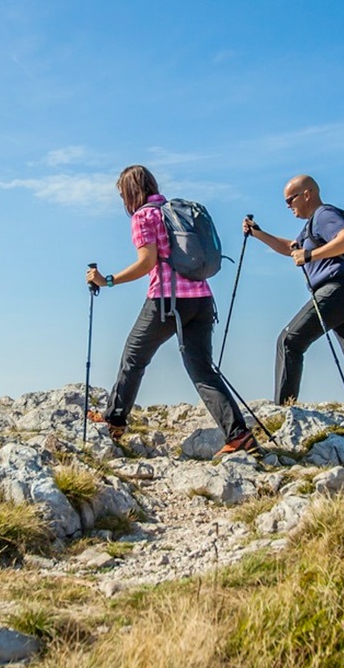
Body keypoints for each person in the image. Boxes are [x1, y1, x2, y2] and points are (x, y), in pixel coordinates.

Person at [84, 165, 256, 455]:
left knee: (133, 356)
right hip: (201, 299)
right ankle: (239, 435)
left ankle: (115, 420)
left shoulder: (143, 217)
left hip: (167, 301)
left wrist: (108, 280)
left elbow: (147, 262)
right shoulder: (174, 211)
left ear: (129, 193)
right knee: (202, 369)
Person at [242, 175, 344, 411]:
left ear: (307, 194)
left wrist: (310, 256)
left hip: (336, 292)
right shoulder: (311, 226)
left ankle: (285, 410)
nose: (288, 206)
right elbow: (291, 248)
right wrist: (258, 233)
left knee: (289, 341)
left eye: (290, 200)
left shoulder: (324, 215)